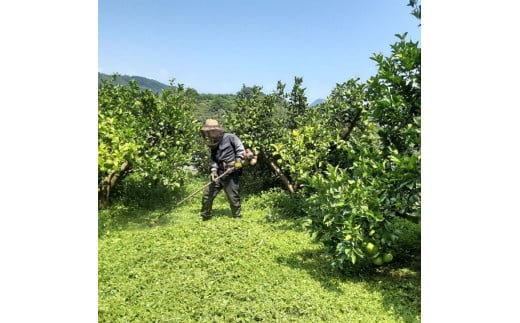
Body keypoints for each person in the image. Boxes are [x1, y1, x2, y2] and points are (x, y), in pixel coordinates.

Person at [199, 119, 245, 221]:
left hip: (231, 172)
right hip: (219, 172)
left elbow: (241, 151)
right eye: (207, 132)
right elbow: (213, 158)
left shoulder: (231, 137)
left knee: (233, 196)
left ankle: (237, 216)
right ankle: (205, 215)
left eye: (209, 131)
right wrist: (213, 170)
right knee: (207, 194)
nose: (208, 134)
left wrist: (235, 166)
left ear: (216, 130)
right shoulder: (214, 143)